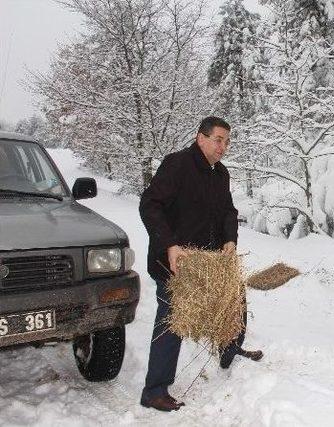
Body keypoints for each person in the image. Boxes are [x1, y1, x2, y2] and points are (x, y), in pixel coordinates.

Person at [139, 116, 262, 412]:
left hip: (209, 260)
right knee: (172, 319)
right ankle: (154, 389)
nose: (224, 147)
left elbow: (228, 212)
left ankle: (230, 350)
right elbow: (150, 205)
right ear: (201, 138)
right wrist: (170, 245)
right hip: (175, 261)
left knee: (233, 300)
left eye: (228, 141)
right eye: (219, 140)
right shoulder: (177, 164)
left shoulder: (220, 173)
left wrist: (230, 240)